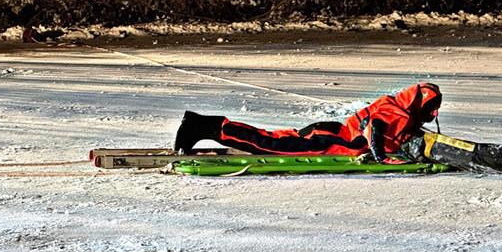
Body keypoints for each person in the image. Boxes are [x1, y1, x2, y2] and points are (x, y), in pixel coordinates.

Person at [173, 82, 442, 164]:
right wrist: (381, 157)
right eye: (431, 109)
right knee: (267, 144)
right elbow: (375, 129)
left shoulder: (397, 106)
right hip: (332, 142)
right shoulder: (397, 112)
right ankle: (203, 127)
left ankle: (202, 125)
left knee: (270, 140)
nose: (432, 114)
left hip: (332, 133)